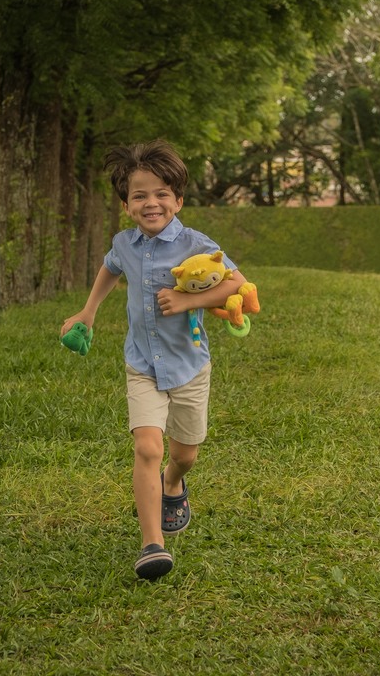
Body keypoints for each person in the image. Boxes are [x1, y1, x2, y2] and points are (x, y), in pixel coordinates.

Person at [60, 140, 248, 580]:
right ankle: (151, 546)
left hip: (189, 368)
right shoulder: (123, 244)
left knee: (185, 454)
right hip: (142, 365)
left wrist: (184, 300)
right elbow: (110, 268)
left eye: (162, 193)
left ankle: (173, 482)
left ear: (178, 200)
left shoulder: (195, 243)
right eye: (140, 195)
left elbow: (238, 284)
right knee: (147, 445)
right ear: (126, 204)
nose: (152, 202)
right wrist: (88, 310)